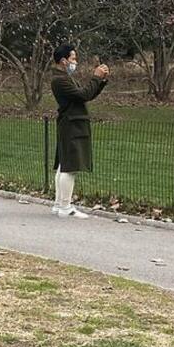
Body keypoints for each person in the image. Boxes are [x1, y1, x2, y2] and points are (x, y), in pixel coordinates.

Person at [50, 44, 110, 218]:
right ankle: (65, 207)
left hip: (71, 123)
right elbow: (83, 95)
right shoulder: (60, 80)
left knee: (63, 165)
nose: (75, 62)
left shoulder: (64, 77)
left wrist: (100, 81)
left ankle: (58, 204)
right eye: (73, 58)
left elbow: (85, 95)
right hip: (71, 124)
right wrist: (96, 77)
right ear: (63, 61)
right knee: (70, 167)